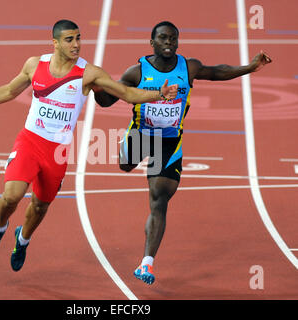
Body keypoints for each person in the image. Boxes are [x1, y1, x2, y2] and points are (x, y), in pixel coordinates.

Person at [0, 20, 178, 272]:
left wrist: (159, 94)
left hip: (56, 152)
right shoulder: (35, 65)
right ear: (55, 43)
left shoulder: (89, 73)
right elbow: (8, 91)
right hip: (30, 141)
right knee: (11, 196)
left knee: (40, 205)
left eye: (78, 38)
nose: (76, 44)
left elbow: (127, 93)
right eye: (69, 40)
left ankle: (22, 240)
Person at [93, 21, 272, 285]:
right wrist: (98, 90)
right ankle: (131, 155)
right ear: (152, 43)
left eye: (173, 39)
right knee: (125, 165)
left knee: (159, 198)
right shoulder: (137, 72)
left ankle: (147, 263)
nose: (168, 43)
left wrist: (250, 67)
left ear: (177, 42)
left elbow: (217, 72)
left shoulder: (188, 67)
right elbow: (108, 100)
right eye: (163, 38)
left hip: (169, 142)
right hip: (142, 135)